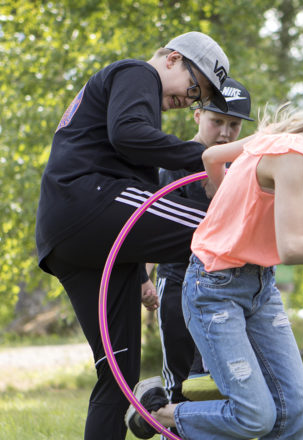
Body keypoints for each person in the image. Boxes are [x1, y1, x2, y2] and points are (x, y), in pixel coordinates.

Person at [125, 76, 303, 440]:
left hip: (260, 286)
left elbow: (213, 158)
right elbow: (292, 248)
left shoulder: (285, 142)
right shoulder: (292, 154)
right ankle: (162, 413)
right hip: (214, 289)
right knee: (254, 416)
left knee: (295, 414)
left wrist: (225, 200)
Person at [34, 31, 231, 440]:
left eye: (199, 98)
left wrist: (140, 271)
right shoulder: (137, 73)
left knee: (118, 378)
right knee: (223, 229)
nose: (190, 100)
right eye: (196, 88)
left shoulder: (134, 98)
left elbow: (138, 192)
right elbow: (128, 136)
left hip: (73, 240)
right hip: (89, 201)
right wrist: (210, 157)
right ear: (174, 59)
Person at [148, 77, 255, 410]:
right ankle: (163, 415)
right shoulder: (174, 164)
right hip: (179, 280)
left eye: (233, 125)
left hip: (228, 285)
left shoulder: (244, 166)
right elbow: (150, 227)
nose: (224, 132)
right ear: (197, 116)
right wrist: (144, 278)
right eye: (217, 122)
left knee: (227, 379)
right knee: (180, 379)